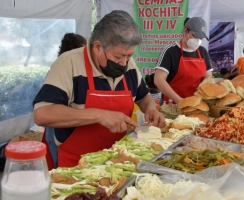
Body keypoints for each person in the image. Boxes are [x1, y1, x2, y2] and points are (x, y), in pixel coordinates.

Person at [33, 10, 165, 168]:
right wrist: (98, 115)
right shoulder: (68, 64)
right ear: (97, 47)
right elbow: (42, 114)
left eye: (129, 56)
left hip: (118, 160)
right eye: (118, 57)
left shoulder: (129, 65)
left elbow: (143, 96)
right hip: (77, 165)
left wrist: (150, 109)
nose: (124, 63)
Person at [45, 33, 87, 169]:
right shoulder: (61, 69)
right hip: (57, 129)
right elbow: (48, 112)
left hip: (72, 132)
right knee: (60, 165)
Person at [154, 17, 212, 104]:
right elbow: (158, 79)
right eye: (195, 36)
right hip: (173, 105)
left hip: (197, 104)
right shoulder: (170, 51)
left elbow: (208, 75)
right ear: (185, 31)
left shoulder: (203, 52)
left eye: (201, 38)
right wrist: (180, 101)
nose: (198, 40)